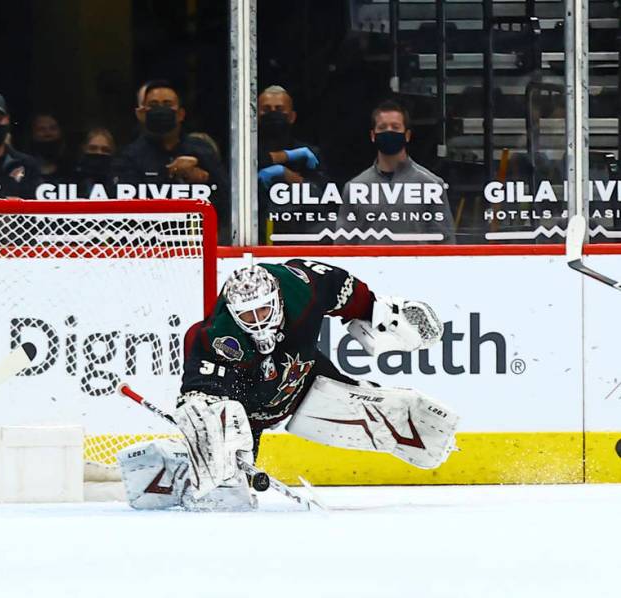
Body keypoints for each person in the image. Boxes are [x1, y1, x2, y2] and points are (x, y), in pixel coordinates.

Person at [118, 259, 459, 511]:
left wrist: (384, 316)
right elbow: (200, 397)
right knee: (224, 493)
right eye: (248, 316)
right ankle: (180, 471)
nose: (259, 321)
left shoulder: (303, 287)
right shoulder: (213, 337)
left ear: (277, 297)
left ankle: (436, 444)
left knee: (410, 423)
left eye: (264, 310)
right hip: (251, 412)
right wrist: (213, 439)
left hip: (305, 378)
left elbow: (351, 294)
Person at [109, 80, 229, 242]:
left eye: (167, 104)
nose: (160, 110)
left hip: (196, 247)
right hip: (144, 247)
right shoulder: (128, 156)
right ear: (142, 113)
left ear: (180, 114)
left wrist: (203, 179)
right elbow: (121, 207)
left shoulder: (202, 151)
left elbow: (228, 202)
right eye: (153, 105)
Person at [337, 100, 455, 243]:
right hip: (369, 265)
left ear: (407, 135)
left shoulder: (431, 185)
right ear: (373, 136)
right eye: (382, 127)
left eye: (395, 127)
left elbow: (445, 242)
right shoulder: (355, 187)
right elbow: (343, 244)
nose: (389, 131)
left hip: (417, 265)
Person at [255, 85, 322, 186]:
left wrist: (295, 180)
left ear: (292, 117)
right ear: (257, 117)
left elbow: (322, 193)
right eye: (266, 109)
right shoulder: (246, 151)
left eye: (279, 109)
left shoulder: (309, 154)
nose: (273, 113)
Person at [29, 113, 73, 183]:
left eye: (53, 128)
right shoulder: (24, 169)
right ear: (33, 134)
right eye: (41, 129)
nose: (48, 133)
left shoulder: (73, 168)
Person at [74, 127, 116, 197]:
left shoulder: (117, 180)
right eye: (93, 148)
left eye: (105, 150)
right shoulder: (73, 178)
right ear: (84, 149)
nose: (99, 153)